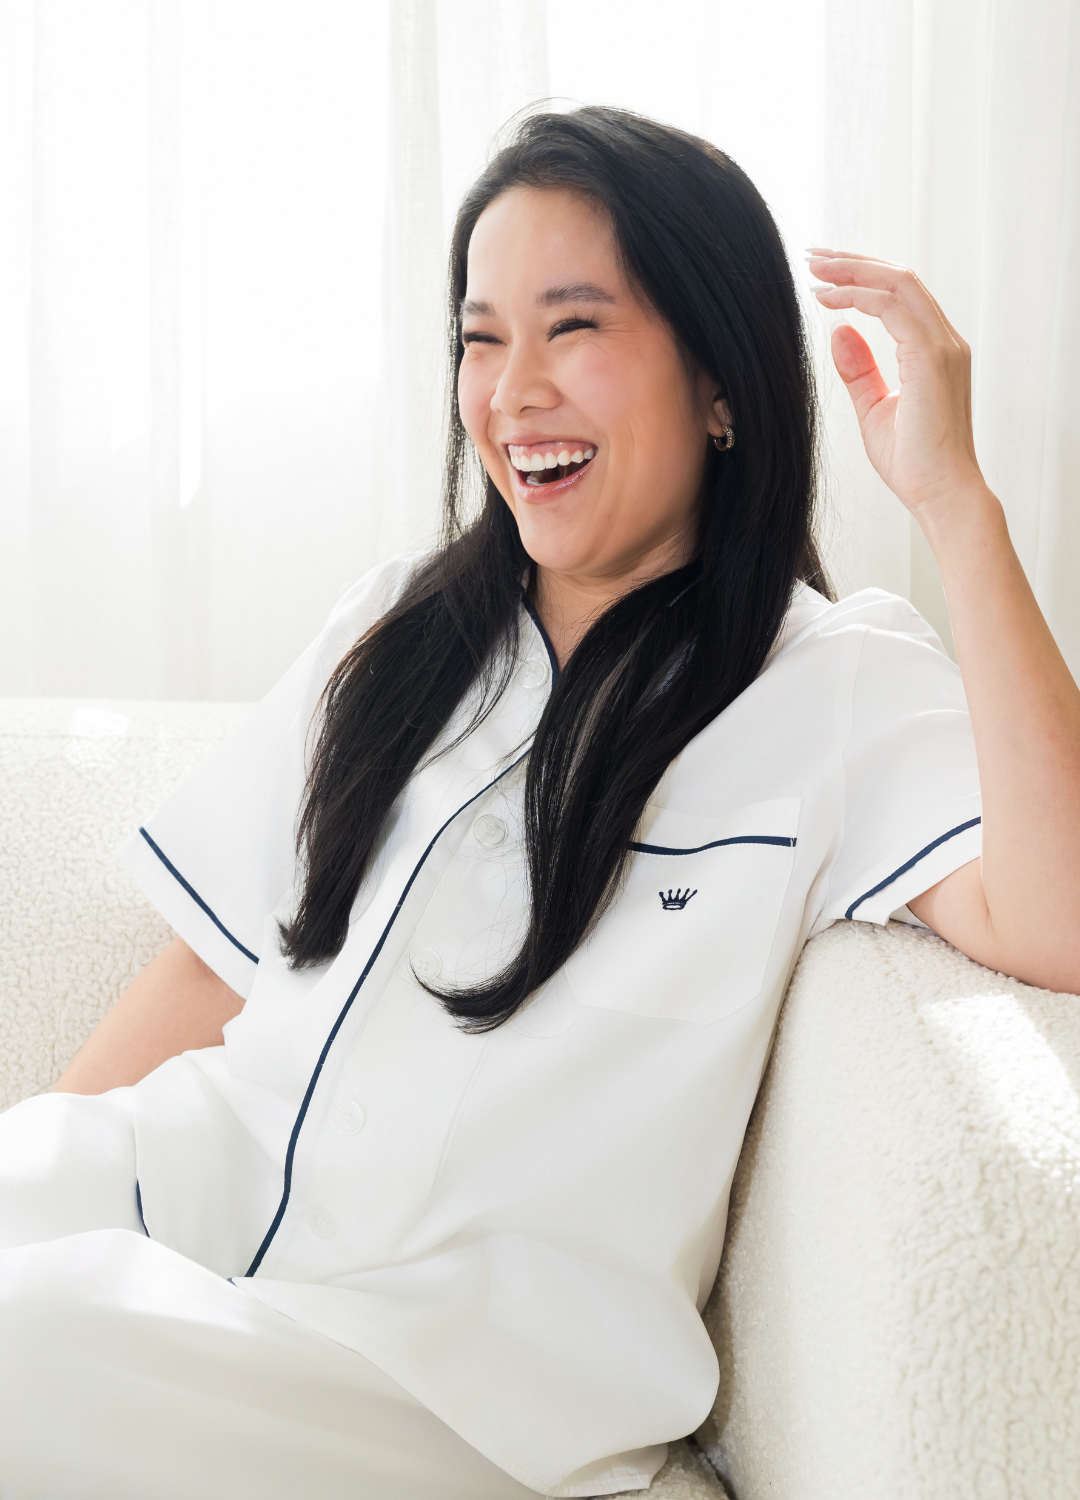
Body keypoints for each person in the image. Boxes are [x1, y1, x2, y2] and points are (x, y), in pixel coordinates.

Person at [2, 104, 1078, 1499]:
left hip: (436, 1387)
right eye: (482, 336)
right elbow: (207, 967)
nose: (512, 391)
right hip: (181, 1219)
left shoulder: (833, 684)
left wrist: (957, 504)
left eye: (572, 326)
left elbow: (1062, 915)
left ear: (723, 384)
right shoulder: (392, 627)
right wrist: (35, 1183)